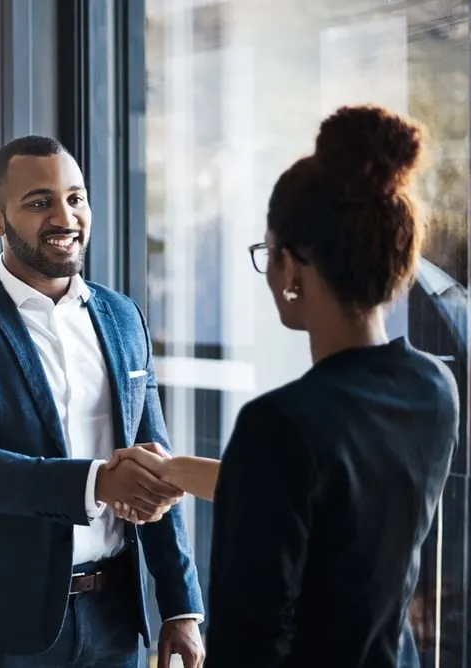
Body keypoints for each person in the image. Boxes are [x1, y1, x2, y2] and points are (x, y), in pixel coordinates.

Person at [108, 105, 458, 668]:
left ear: (291, 269)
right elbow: (329, 498)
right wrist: (173, 472)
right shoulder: (433, 387)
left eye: (267, 254)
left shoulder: (281, 422)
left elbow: (250, 636)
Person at [0, 135, 205, 668]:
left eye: (76, 198)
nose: (65, 216)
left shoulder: (122, 315)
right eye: (39, 202)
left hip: (113, 618)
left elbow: (154, 460)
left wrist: (180, 608)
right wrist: (98, 482)